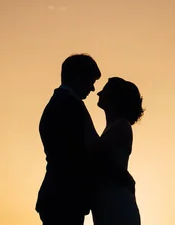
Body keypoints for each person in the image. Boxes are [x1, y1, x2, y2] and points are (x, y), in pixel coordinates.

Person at [35, 54, 135, 225]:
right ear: (78, 77)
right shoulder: (70, 104)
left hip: (61, 196)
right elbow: (91, 151)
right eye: (91, 81)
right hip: (64, 196)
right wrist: (121, 175)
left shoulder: (61, 102)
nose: (93, 89)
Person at [91, 77, 145, 225]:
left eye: (105, 90)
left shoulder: (121, 126)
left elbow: (96, 158)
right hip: (107, 203)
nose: (98, 93)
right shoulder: (114, 127)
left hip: (116, 204)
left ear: (116, 98)